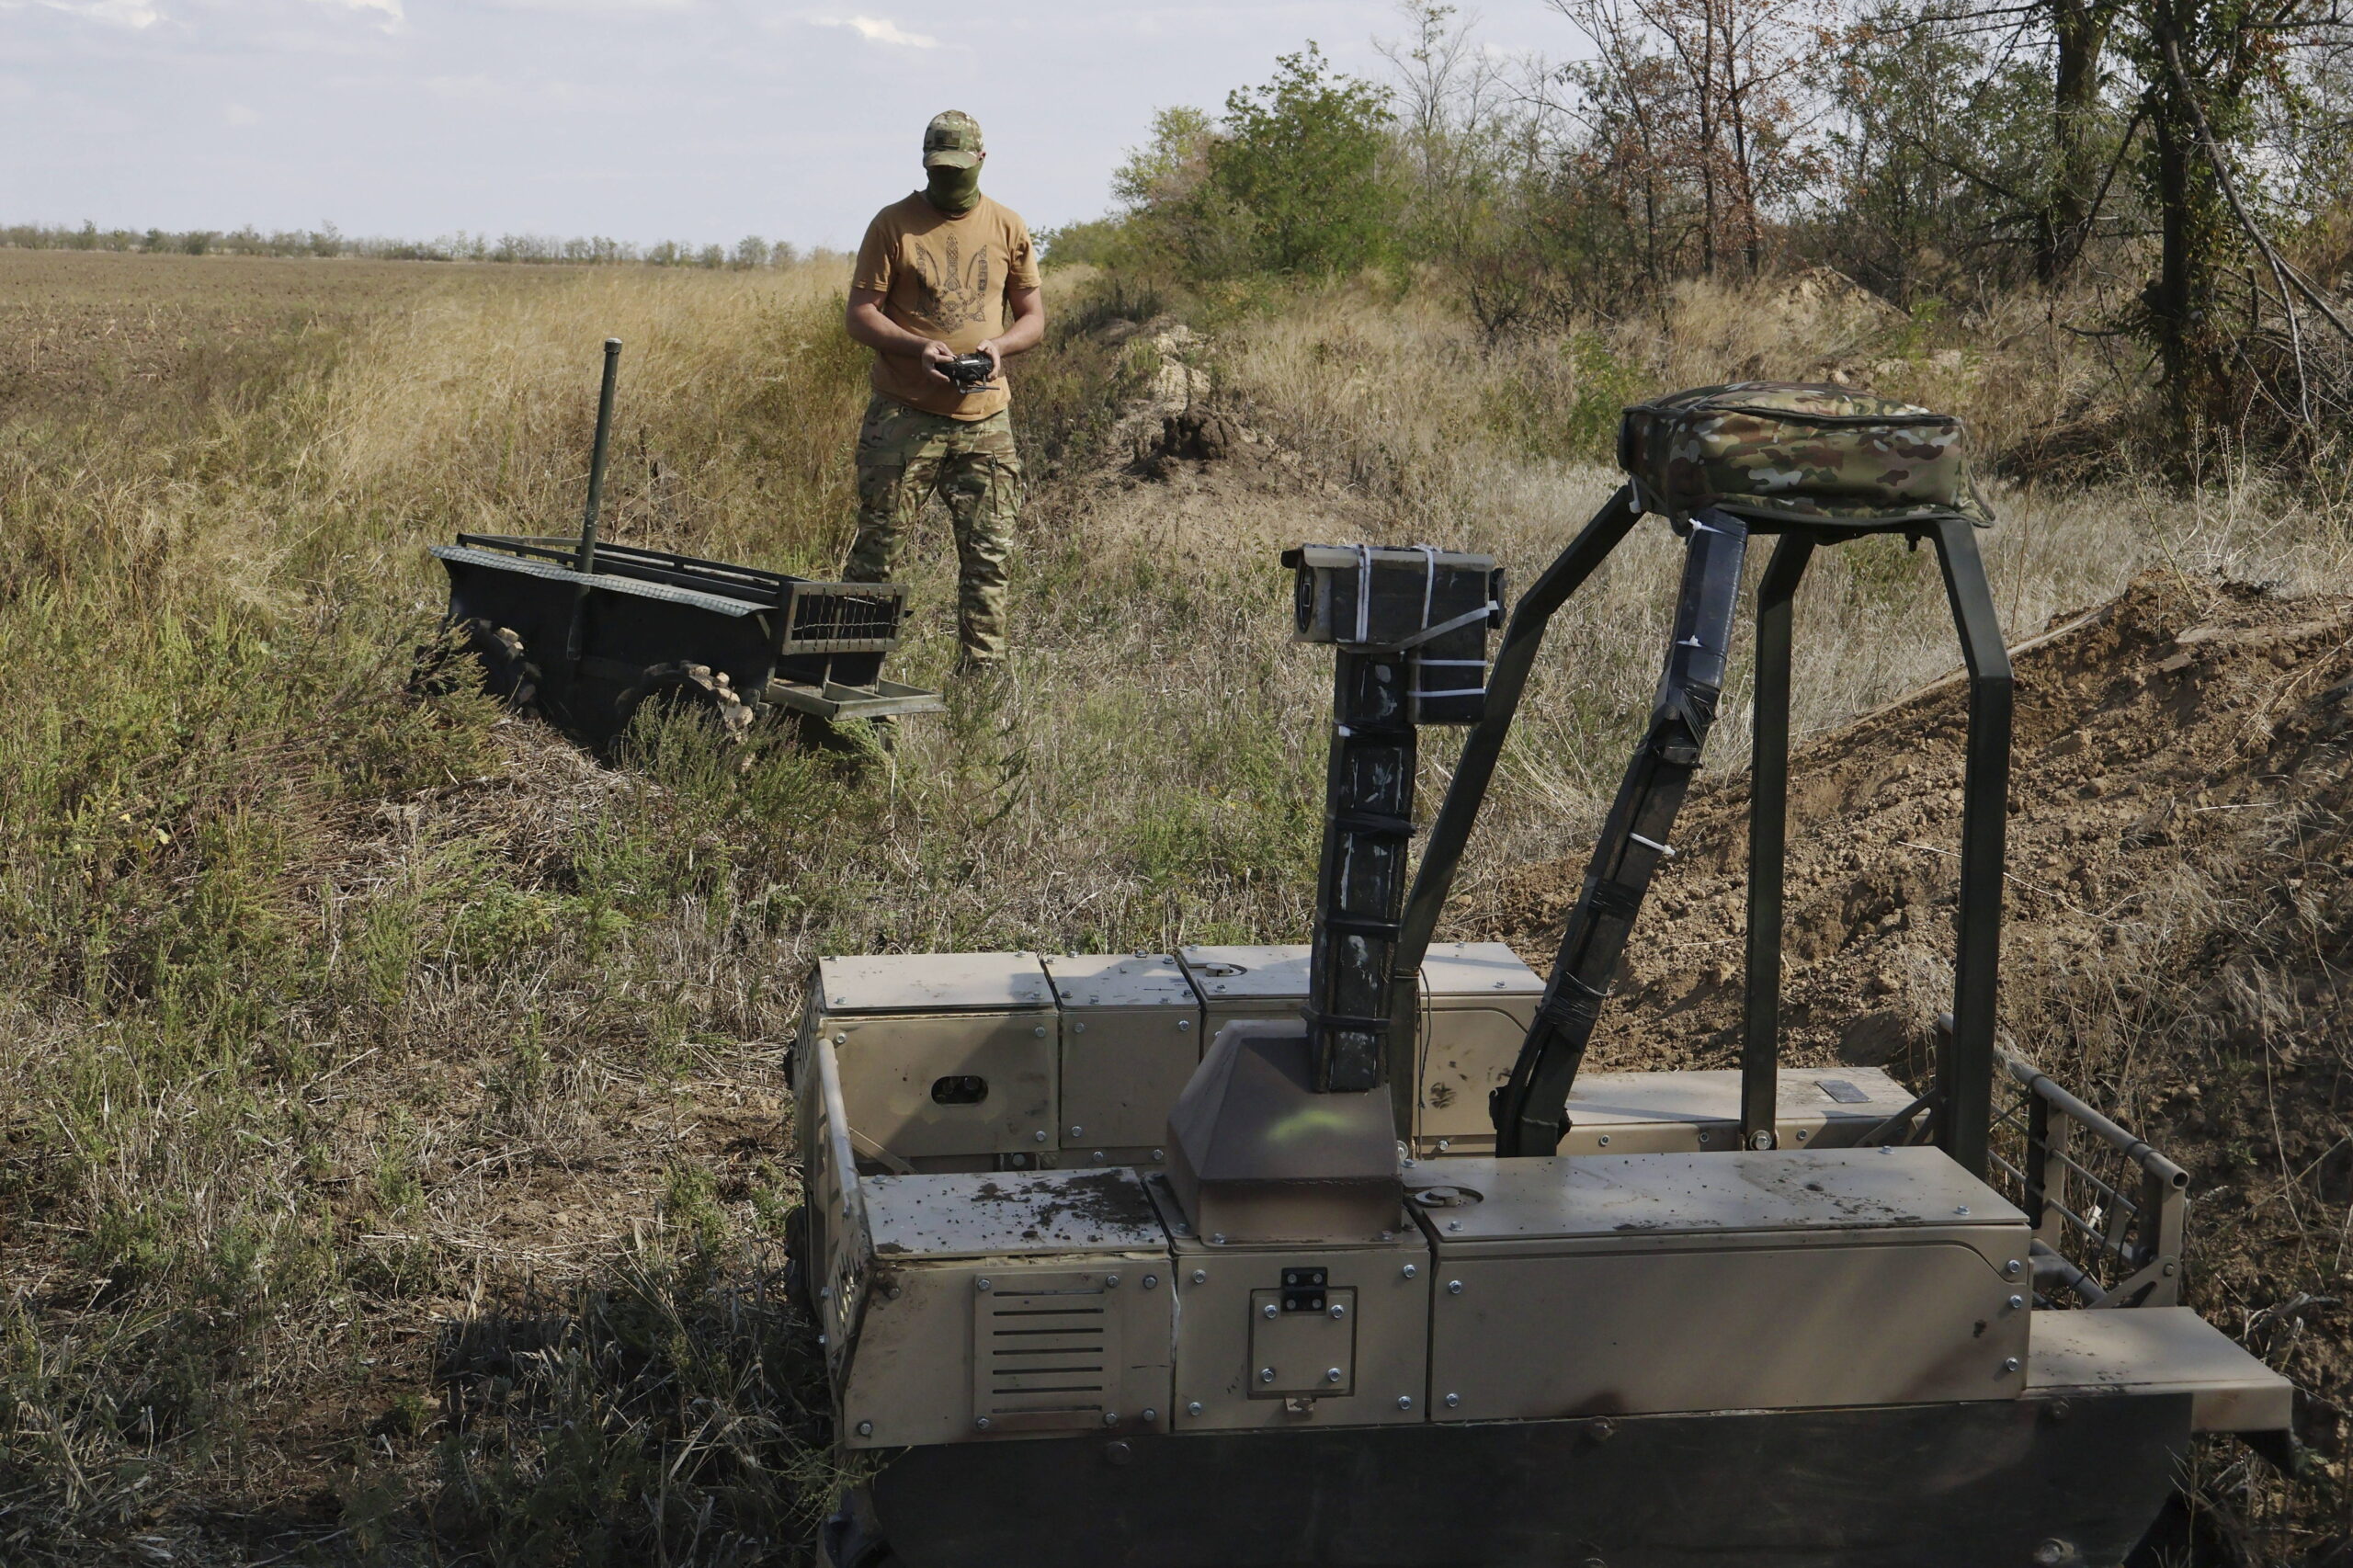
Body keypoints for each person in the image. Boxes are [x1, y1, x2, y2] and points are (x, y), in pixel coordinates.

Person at [841, 110, 1045, 673]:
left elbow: (1033, 317)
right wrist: (918, 348)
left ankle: (980, 690)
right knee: (877, 553)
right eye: (939, 168)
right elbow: (860, 317)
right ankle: (852, 675)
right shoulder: (892, 225)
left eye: (959, 168)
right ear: (925, 163)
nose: (948, 178)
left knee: (989, 560)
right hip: (903, 418)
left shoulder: (1008, 226)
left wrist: (1000, 348)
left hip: (986, 421)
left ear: (982, 160)